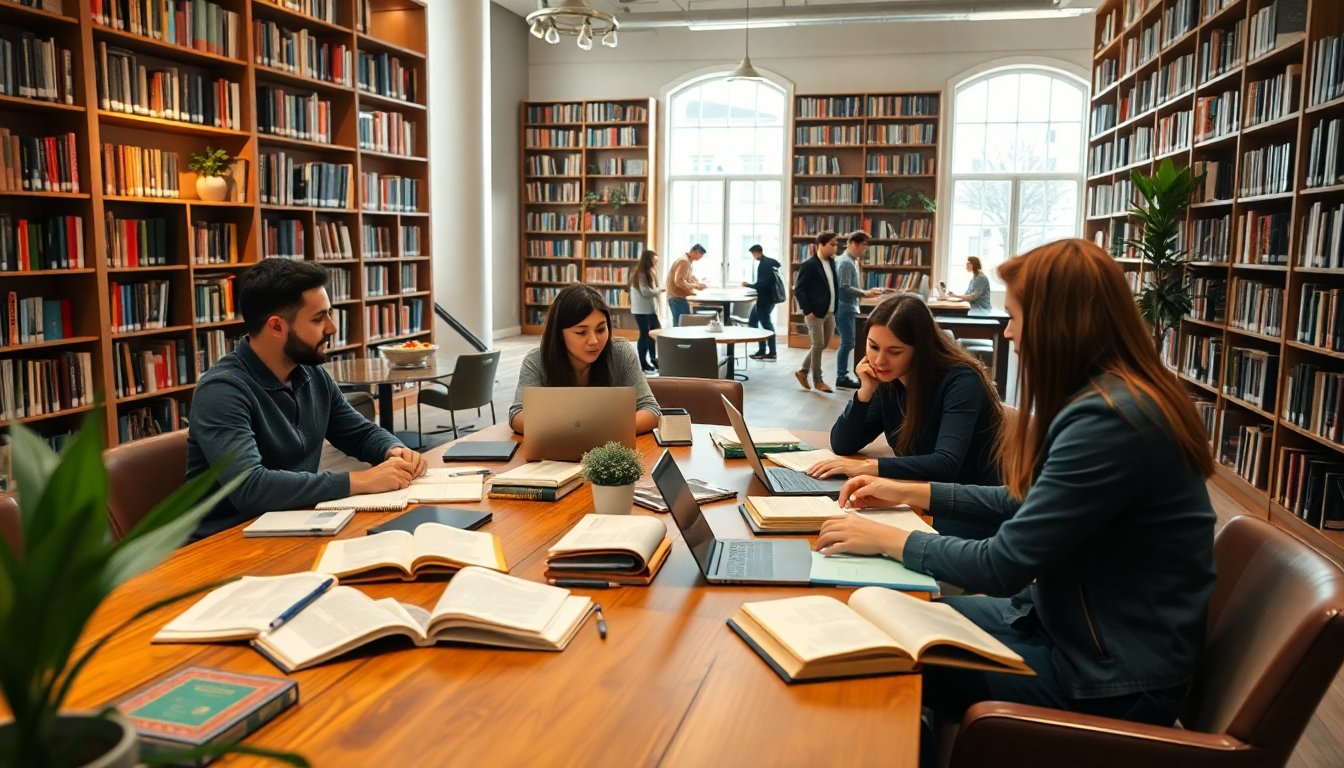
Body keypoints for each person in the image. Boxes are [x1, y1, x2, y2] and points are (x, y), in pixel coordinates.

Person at [816, 239, 1216, 762]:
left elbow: (1003, 564)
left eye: (1014, 317)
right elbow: (1023, 499)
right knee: (875, 626)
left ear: (1059, 323)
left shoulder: (1110, 420)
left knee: (882, 659)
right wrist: (907, 489)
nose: (1009, 333)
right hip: (1065, 629)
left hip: (1107, 677)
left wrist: (892, 538)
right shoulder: (1116, 398)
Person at [186, 258, 428, 539]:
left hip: (294, 524)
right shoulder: (222, 390)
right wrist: (358, 481)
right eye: (318, 319)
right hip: (225, 542)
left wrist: (393, 450)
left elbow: (358, 433)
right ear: (276, 326)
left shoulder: (310, 373)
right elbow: (249, 487)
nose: (332, 328)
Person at [808, 293, 1001, 538]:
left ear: (920, 349)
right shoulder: (890, 381)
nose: (879, 360)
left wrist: (868, 467)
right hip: (917, 496)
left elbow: (945, 464)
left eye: (895, 351)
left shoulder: (961, 381)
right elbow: (843, 443)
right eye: (873, 346)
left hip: (967, 511)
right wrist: (865, 392)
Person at [509, 284, 660, 434]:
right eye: (581, 332)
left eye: (601, 329)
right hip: (556, 450)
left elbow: (651, 410)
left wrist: (599, 432)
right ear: (560, 334)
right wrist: (573, 432)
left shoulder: (621, 354)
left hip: (608, 450)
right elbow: (517, 414)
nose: (594, 341)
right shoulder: (537, 361)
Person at [833, 231, 883, 388]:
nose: (865, 249)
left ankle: (843, 375)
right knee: (848, 343)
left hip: (848, 306)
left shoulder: (850, 260)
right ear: (853, 243)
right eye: (863, 246)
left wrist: (865, 292)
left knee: (849, 342)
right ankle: (841, 377)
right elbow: (843, 286)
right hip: (845, 307)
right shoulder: (846, 262)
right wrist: (865, 293)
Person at [793, 231, 840, 392]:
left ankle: (803, 371)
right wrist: (807, 310)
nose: (835, 248)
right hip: (815, 313)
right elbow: (799, 289)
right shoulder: (809, 265)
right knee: (818, 344)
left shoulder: (832, 263)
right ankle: (818, 380)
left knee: (822, 344)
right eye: (832, 244)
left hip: (830, 311)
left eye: (836, 245)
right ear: (821, 244)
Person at [741, 244, 781, 360]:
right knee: (753, 321)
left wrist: (749, 285)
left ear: (756, 252)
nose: (753, 256)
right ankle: (762, 349)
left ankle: (772, 351)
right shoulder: (770, 262)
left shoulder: (764, 264)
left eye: (753, 254)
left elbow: (762, 284)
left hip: (765, 299)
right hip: (767, 298)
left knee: (766, 325)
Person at [630, 249, 665, 373]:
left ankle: (653, 359)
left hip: (649, 310)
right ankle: (644, 364)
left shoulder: (649, 272)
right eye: (655, 259)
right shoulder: (641, 274)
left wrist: (657, 289)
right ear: (648, 260)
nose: (657, 262)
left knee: (655, 334)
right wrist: (660, 290)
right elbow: (646, 292)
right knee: (644, 335)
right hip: (641, 311)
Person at [666, 243, 708, 327]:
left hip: (679, 298)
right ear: (696, 252)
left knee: (684, 323)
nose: (701, 258)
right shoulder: (684, 261)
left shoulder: (688, 261)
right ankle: (678, 340)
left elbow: (688, 278)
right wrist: (696, 286)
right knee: (681, 325)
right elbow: (679, 281)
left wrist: (698, 284)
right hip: (677, 298)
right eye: (701, 255)